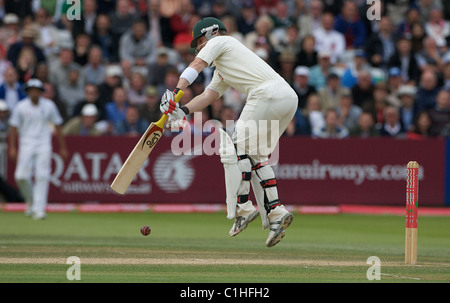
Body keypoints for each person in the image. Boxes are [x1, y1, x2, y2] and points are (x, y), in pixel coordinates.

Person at [159, 17, 296, 247]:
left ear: (210, 34)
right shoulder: (225, 63)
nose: (199, 47)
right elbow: (209, 95)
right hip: (288, 98)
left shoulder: (220, 42)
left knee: (236, 147)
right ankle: (277, 213)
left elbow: (196, 65)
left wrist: (175, 91)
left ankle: (243, 208)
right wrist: (182, 111)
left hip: (266, 94)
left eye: (200, 41)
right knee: (256, 156)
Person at [8, 79, 68, 219]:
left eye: (37, 90)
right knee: (20, 176)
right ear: (28, 92)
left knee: (42, 175)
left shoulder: (49, 106)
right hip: (26, 142)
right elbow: (13, 127)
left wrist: (63, 147)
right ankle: (31, 201)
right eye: (32, 90)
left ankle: (39, 209)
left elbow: (58, 125)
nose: (34, 93)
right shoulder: (21, 107)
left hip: (43, 143)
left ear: (41, 92)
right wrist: (12, 147)